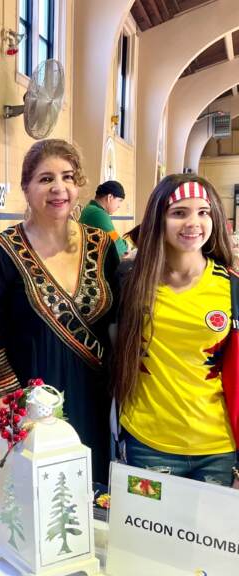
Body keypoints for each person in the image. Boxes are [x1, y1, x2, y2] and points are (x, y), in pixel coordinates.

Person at [0, 139, 119, 482]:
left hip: (93, 401)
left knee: (90, 497)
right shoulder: (1, 252)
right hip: (28, 407)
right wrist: (4, 420)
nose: (58, 188)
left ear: (79, 185)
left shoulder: (103, 246)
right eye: (45, 178)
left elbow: (117, 326)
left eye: (67, 177)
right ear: (26, 188)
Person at [113, 174, 239, 488]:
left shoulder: (231, 287)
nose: (193, 222)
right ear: (159, 219)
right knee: (144, 537)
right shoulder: (130, 282)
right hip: (147, 443)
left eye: (203, 212)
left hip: (216, 447)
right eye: (179, 212)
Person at [79, 180, 128, 257]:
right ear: (110, 197)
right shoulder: (98, 213)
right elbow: (116, 243)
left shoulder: (91, 209)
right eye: (119, 201)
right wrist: (126, 247)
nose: (119, 206)